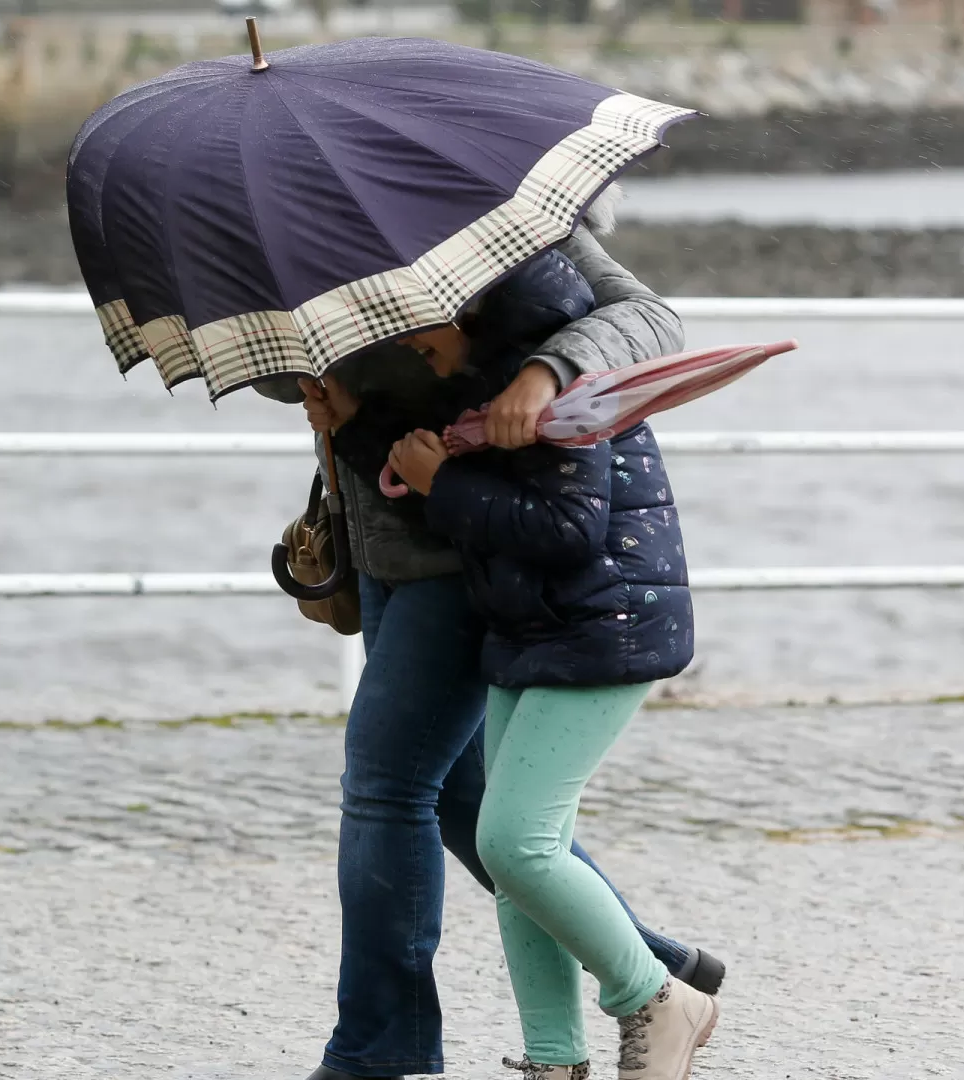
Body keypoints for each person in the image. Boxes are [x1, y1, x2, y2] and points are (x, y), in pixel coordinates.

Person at [259, 189, 726, 1080]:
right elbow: (281, 364)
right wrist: (321, 389)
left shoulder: (498, 213)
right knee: (471, 804)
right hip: (388, 538)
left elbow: (644, 321)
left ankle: (379, 1051)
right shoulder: (300, 215)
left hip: (472, 550)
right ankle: (626, 986)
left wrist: (543, 372)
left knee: (391, 786)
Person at [380, 247, 713, 1080]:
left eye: (416, 319)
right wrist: (359, 426)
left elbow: (570, 527)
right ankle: (553, 1060)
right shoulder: (487, 382)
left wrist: (442, 486)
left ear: (465, 304)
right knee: (520, 858)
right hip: (534, 629)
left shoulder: (556, 383)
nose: (404, 337)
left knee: (514, 842)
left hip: (605, 627)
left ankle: (655, 996)